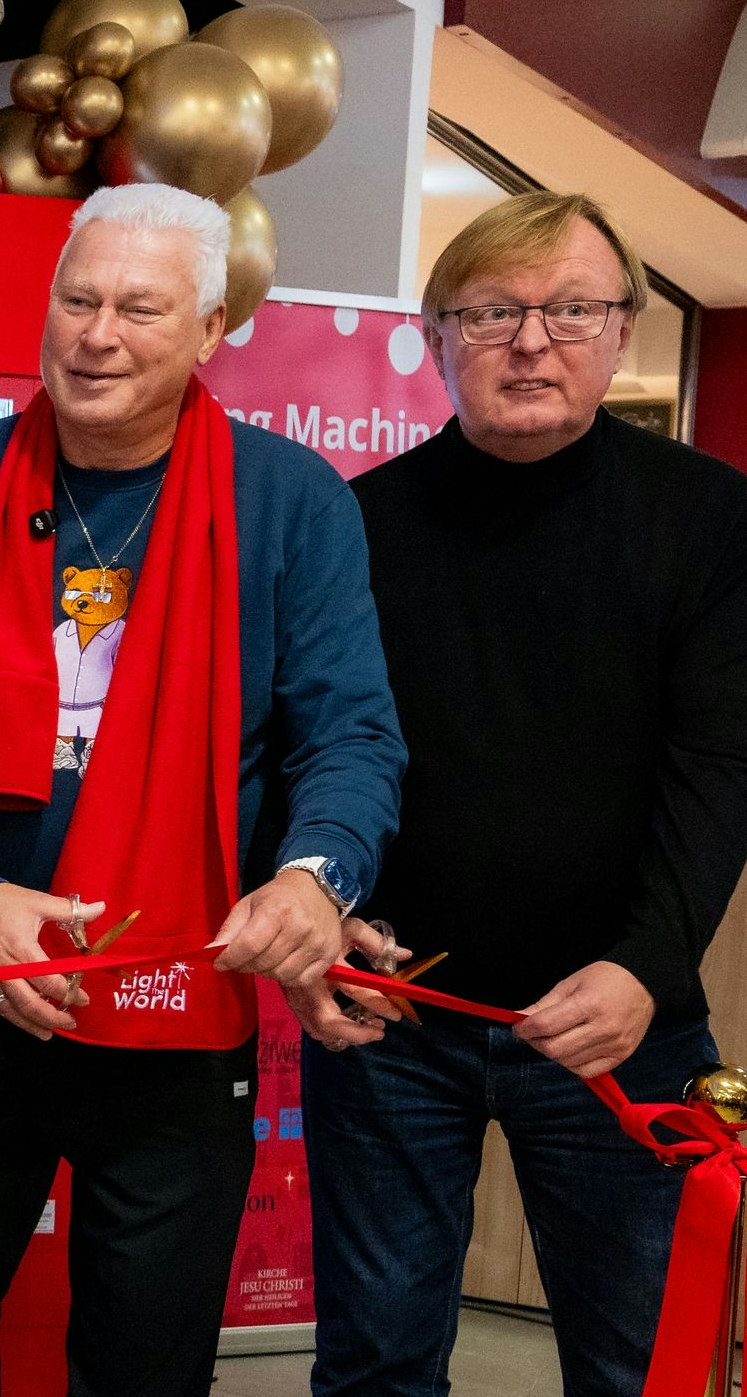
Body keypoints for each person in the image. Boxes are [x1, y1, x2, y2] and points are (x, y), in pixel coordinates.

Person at [0, 182, 406, 1395]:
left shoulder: (290, 500)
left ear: (208, 330)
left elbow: (349, 731)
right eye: (76, 299)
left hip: (178, 999)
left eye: (137, 309)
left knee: (145, 1358)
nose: (94, 334)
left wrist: (314, 877)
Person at [312, 192, 747, 1397]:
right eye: (491, 312)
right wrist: (324, 916)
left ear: (620, 331)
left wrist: (644, 963)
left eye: (570, 310)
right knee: (373, 1363)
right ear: (434, 336)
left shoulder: (709, 517)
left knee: (640, 1365)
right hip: (393, 1018)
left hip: (624, 1019)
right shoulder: (354, 523)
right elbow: (310, 746)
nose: (530, 342)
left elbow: (719, 763)